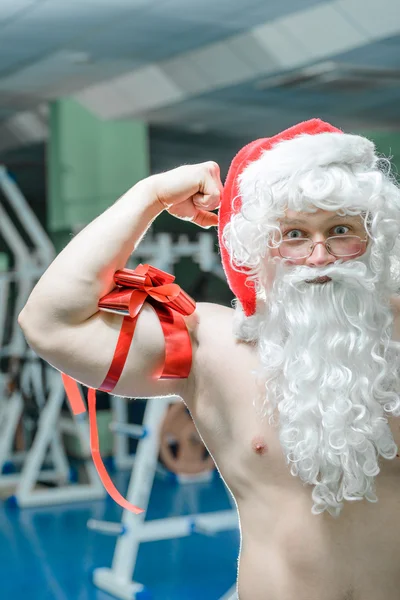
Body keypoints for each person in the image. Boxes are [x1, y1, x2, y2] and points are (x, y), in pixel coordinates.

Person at [18, 118, 400, 600]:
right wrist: (151, 195)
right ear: (261, 247)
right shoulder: (216, 344)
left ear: (373, 236)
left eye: (341, 229)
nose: (319, 255)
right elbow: (50, 322)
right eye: (295, 234)